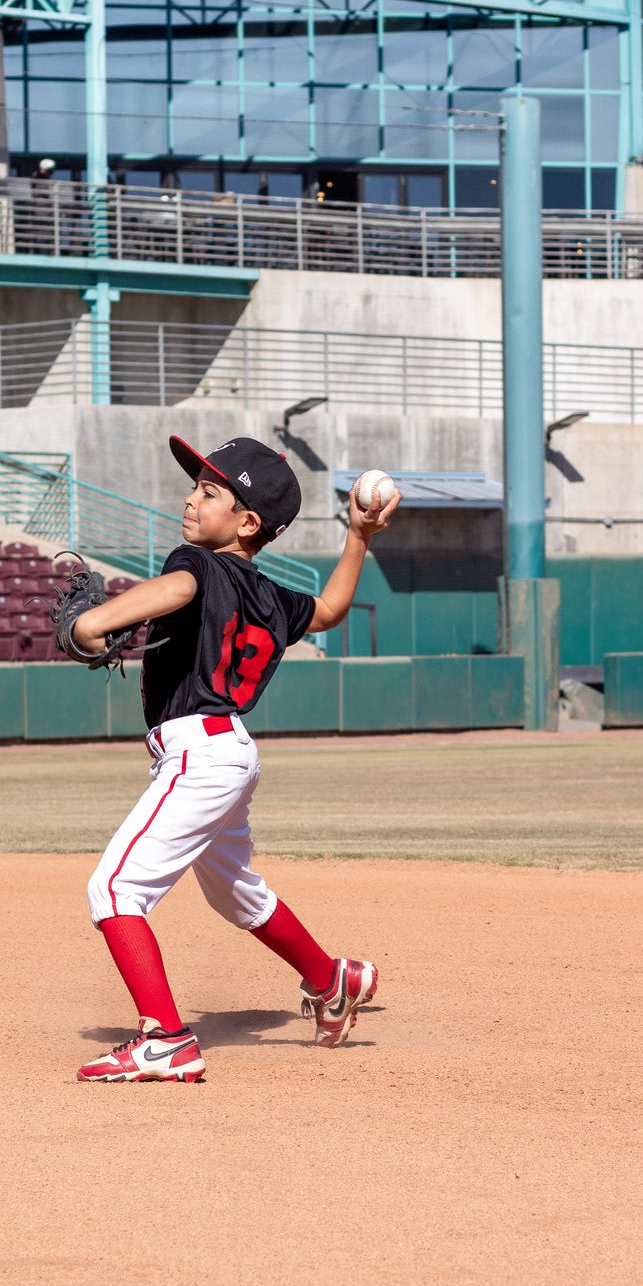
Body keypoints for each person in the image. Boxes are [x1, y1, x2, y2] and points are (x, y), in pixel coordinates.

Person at [69, 434, 400, 1082]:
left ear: (247, 522)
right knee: (235, 894)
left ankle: (164, 1039)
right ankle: (330, 979)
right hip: (228, 751)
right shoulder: (270, 596)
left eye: (210, 491)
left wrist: (91, 624)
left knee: (114, 888)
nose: (191, 498)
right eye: (195, 485)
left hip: (197, 751)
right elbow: (330, 610)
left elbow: (173, 591)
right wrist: (358, 534)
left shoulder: (195, 563)